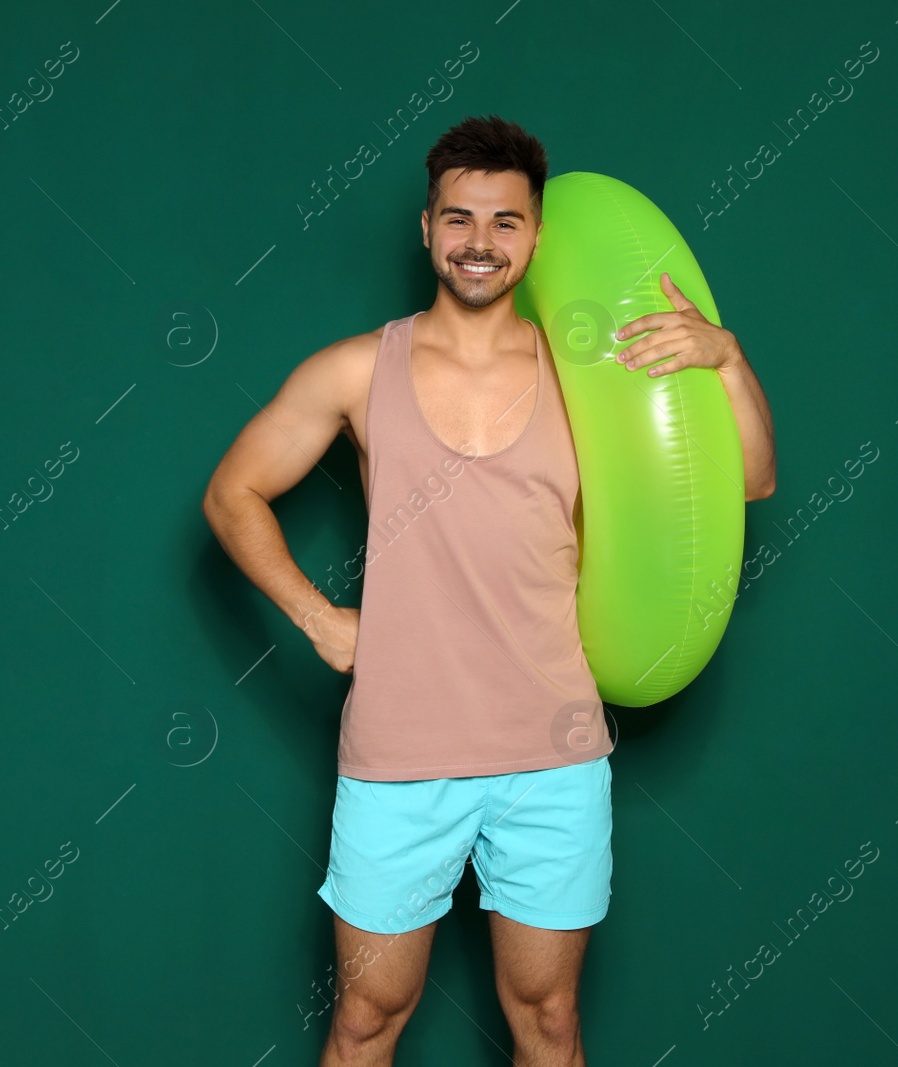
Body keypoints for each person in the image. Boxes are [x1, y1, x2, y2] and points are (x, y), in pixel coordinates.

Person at [202, 115, 776, 1066]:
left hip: (551, 753)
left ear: (538, 236)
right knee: (364, 1021)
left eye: (506, 222)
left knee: (549, 1022)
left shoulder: (594, 375)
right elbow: (233, 493)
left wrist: (727, 357)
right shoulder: (355, 370)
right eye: (459, 218)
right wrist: (315, 616)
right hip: (400, 752)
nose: (481, 242)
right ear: (426, 230)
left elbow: (746, 482)